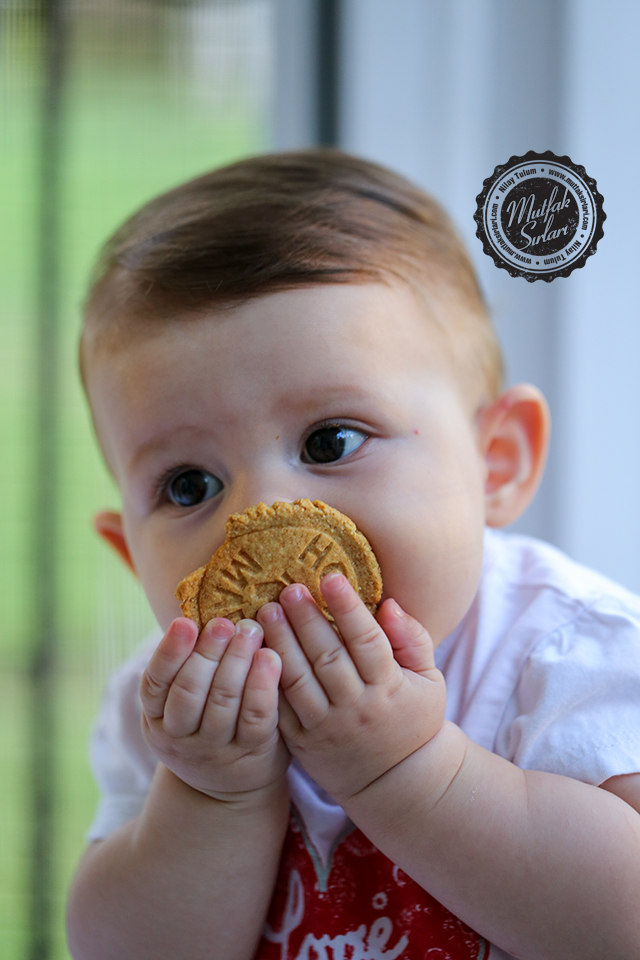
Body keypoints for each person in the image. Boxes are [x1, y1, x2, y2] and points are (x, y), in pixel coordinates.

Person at [66, 149, 640, 960]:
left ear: (497, 461)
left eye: (330, 440)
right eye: (190, 485)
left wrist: (411, 773)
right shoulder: (170, 718)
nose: (259, 519)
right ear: (135, 558)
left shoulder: (568, 654)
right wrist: (206, 798)